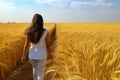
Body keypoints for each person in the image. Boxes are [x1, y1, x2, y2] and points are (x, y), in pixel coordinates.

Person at [21, 13, 51, 80]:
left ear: (33, 21)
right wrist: (50, 53)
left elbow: (26, 44)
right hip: (42, 55)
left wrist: (23, 56)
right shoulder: (46, 32)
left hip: (32, 56)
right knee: (40, 73)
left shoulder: (29, 31)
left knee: (35, 69)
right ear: (41, 22)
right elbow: (48, 45)